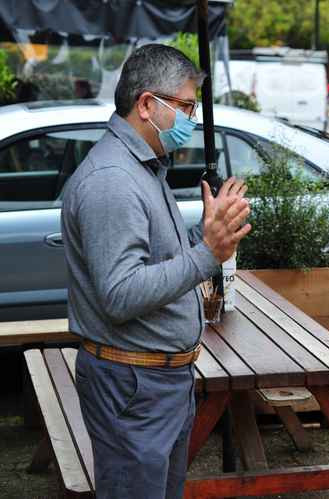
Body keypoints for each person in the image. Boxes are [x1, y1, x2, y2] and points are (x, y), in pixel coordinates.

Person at [61, 44, 251, 498]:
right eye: (185, 106)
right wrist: (208, 253)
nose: (191, 120)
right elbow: (121, 294)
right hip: (134, 386)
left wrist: (202, 236)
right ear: (147, 104)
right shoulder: (113, 181)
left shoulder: (144, 169)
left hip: (157, 381)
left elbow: (155, 261)